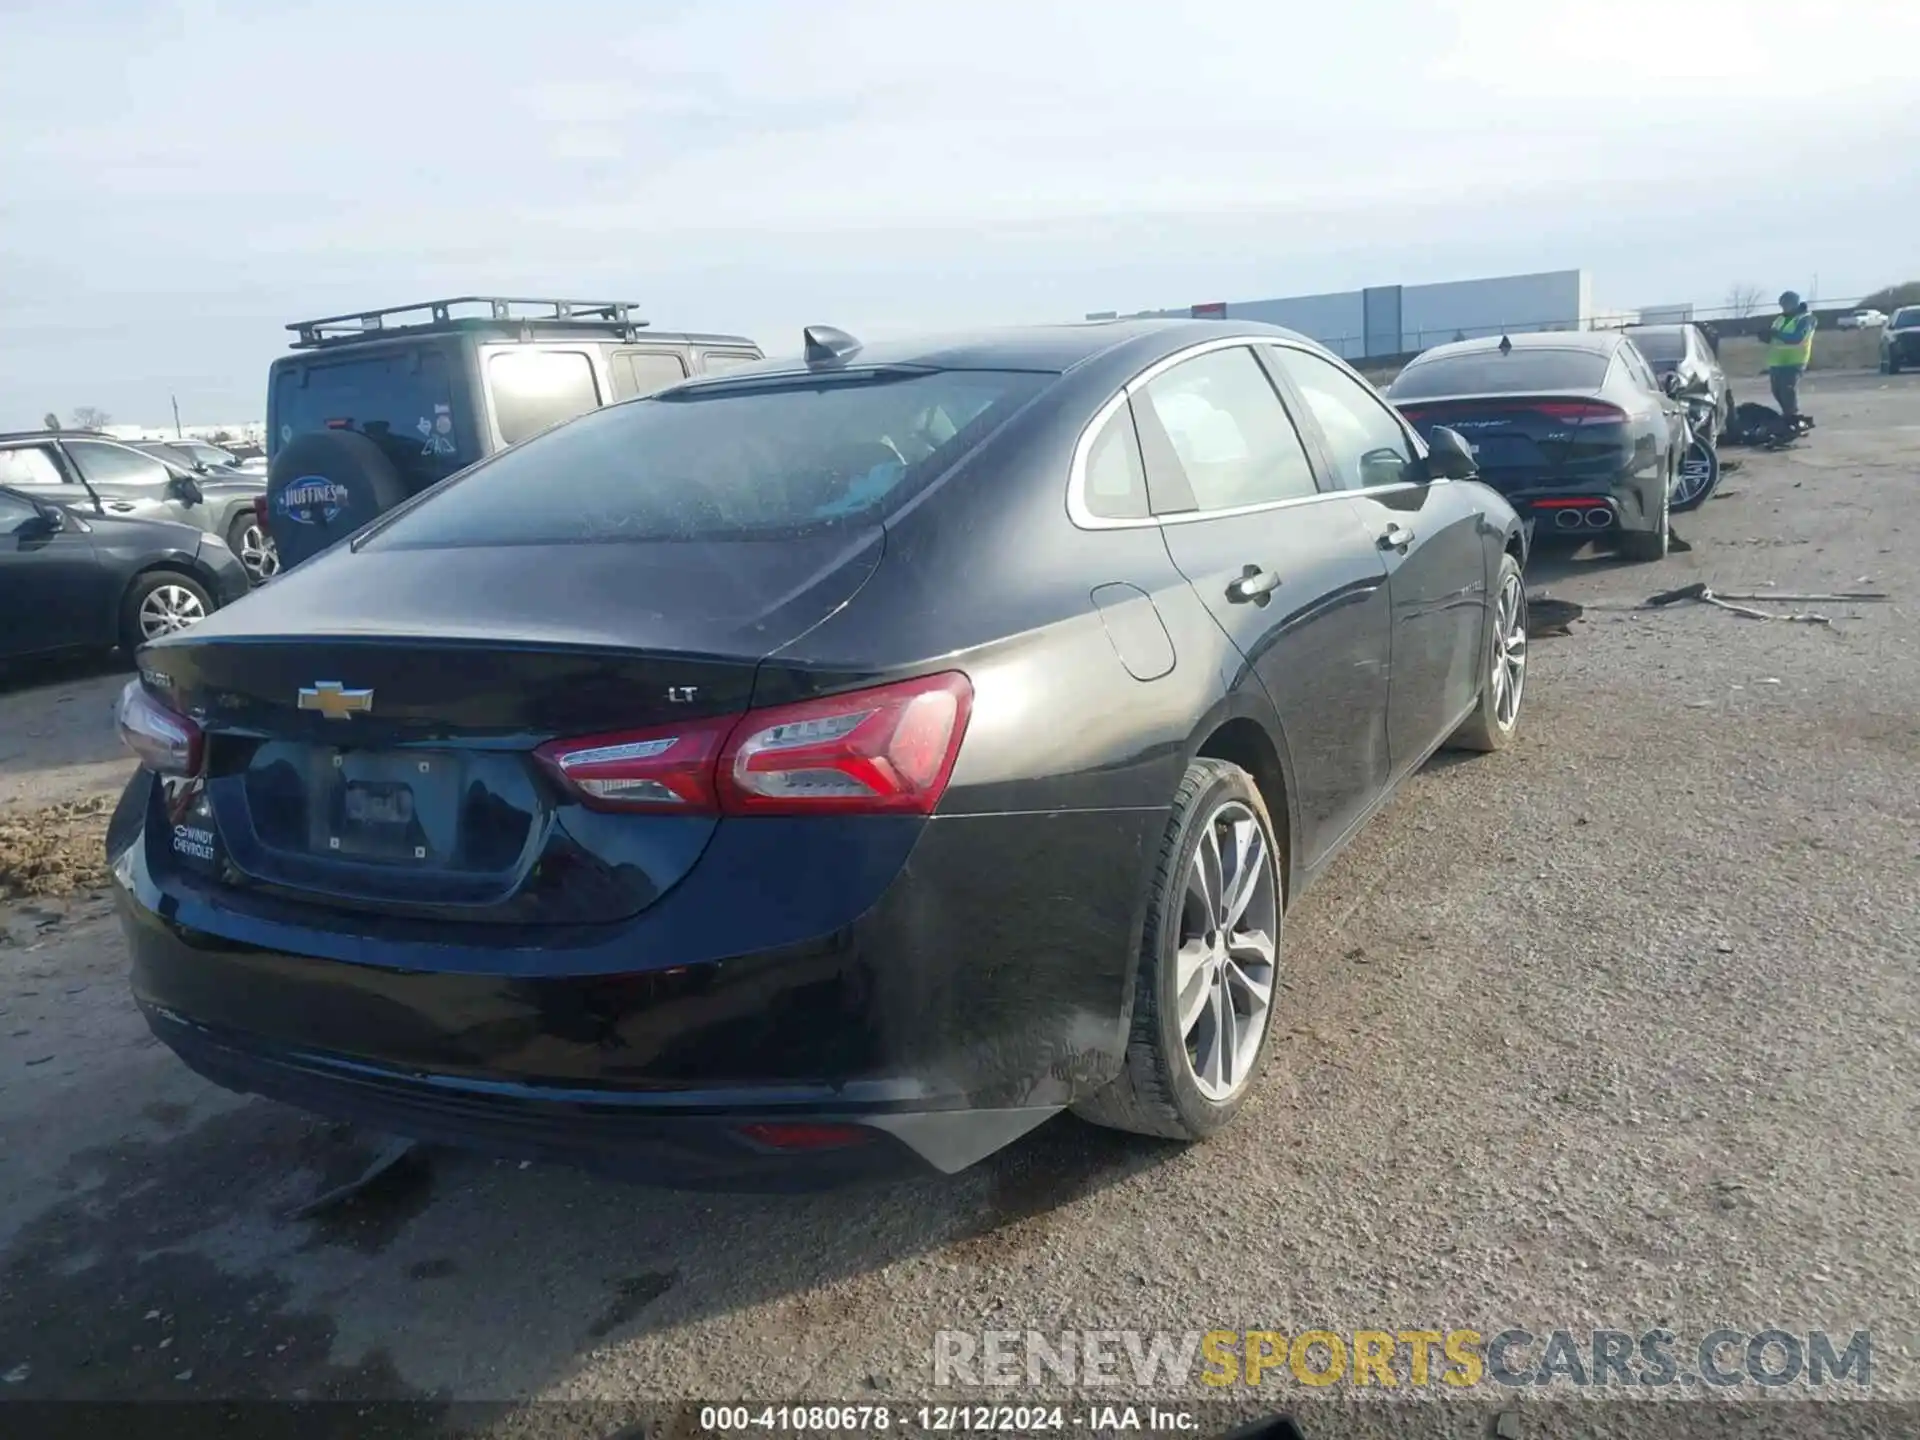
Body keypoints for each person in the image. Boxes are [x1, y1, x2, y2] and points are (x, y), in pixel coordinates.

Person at [1767, 290, 1816, 421]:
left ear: (1795, 304)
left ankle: (1794, 416)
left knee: (1787, 390)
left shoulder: (1806, 318)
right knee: (1777, 391)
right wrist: (1766, 335)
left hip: (1795, 360)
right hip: (1777, 361)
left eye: (1786, 304)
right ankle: (1787, 415)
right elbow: (1774, 337)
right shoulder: (1780, 318)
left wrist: (1777, 334)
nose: (1783, 308)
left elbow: (1797, 338)